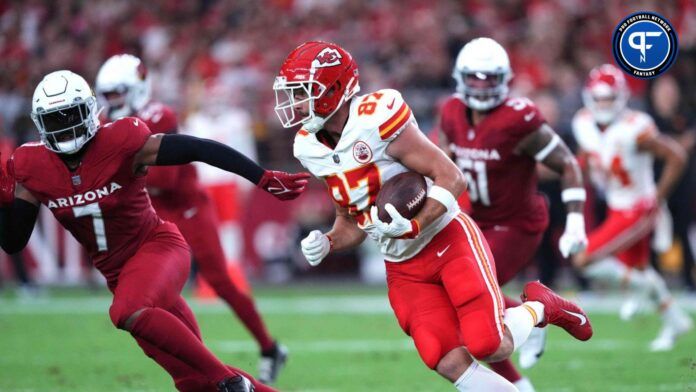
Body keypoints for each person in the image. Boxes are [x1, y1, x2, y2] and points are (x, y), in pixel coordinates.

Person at [275, 41, 593, 391]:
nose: (296, 102)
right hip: (402, 266)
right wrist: (329, 240)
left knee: (489, 344)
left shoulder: (376, 117)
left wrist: (414, 224)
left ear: (333, 90)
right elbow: (350, 220)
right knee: (444, 358)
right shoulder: (308, 146)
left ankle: (541, 307)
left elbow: (452, 176)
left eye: (302, 92)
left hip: (445, 239)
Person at [0, 70, 310, 392]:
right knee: (191, 380)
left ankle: (229, 382)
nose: (64, 126)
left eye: (70, 115)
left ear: (90, 110)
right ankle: (231, 382)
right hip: (119, 276)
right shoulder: (31, 165)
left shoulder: (121, 141)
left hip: (157, 248)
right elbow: (12, 241)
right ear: (39, 123)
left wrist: (260, 177)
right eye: (53, 119)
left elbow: (198, 148)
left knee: (127, 311)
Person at [95, 54, 287, 385]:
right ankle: (202, 369)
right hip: (152, 217)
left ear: (137, 89)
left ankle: (269, 348)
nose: (112, 103)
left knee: (220, 280)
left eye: (118, 94)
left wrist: (114, 168)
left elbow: (162, 180)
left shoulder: (159, 115)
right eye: (108, 95)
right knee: (155, 296)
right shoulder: (106, 124)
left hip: (187, 209)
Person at [437, 38, 589, 384]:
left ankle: (520, 372)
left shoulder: (518, 118)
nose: (481, 85)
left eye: (489, 78)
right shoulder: (451, 112)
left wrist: (576, 222)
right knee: (463, 302)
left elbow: (568, 163)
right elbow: (440, 160)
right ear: (461, 78)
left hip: (516, 224)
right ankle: (530, 319)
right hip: (474, 221)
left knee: (469, 303)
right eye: (473, 78)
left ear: (503, 79)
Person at [571, 64, 693, 352]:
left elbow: (677, 156)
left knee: (583, 259)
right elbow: (585, 159)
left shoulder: (635, 127)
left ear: (621, 97)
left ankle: (642, 292)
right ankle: (675, 321)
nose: (603, 104)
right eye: (599, 98)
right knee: (639, 270)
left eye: (609, 98)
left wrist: (657, 197)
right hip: (616, 205)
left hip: (637, 207)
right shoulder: (584, 123)